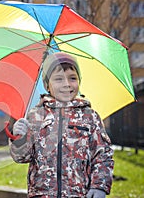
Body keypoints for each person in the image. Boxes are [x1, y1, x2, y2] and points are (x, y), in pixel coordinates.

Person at [9, 52, 114, 198]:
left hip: (79, 194)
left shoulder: (90, 116)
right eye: (58, 79)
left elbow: (103, 155)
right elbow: (22, 157)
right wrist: (19, 138)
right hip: (42, 194)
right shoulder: (36, 115)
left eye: (72, 78)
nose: (66, 84)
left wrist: (100, 186)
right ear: (47, 85)